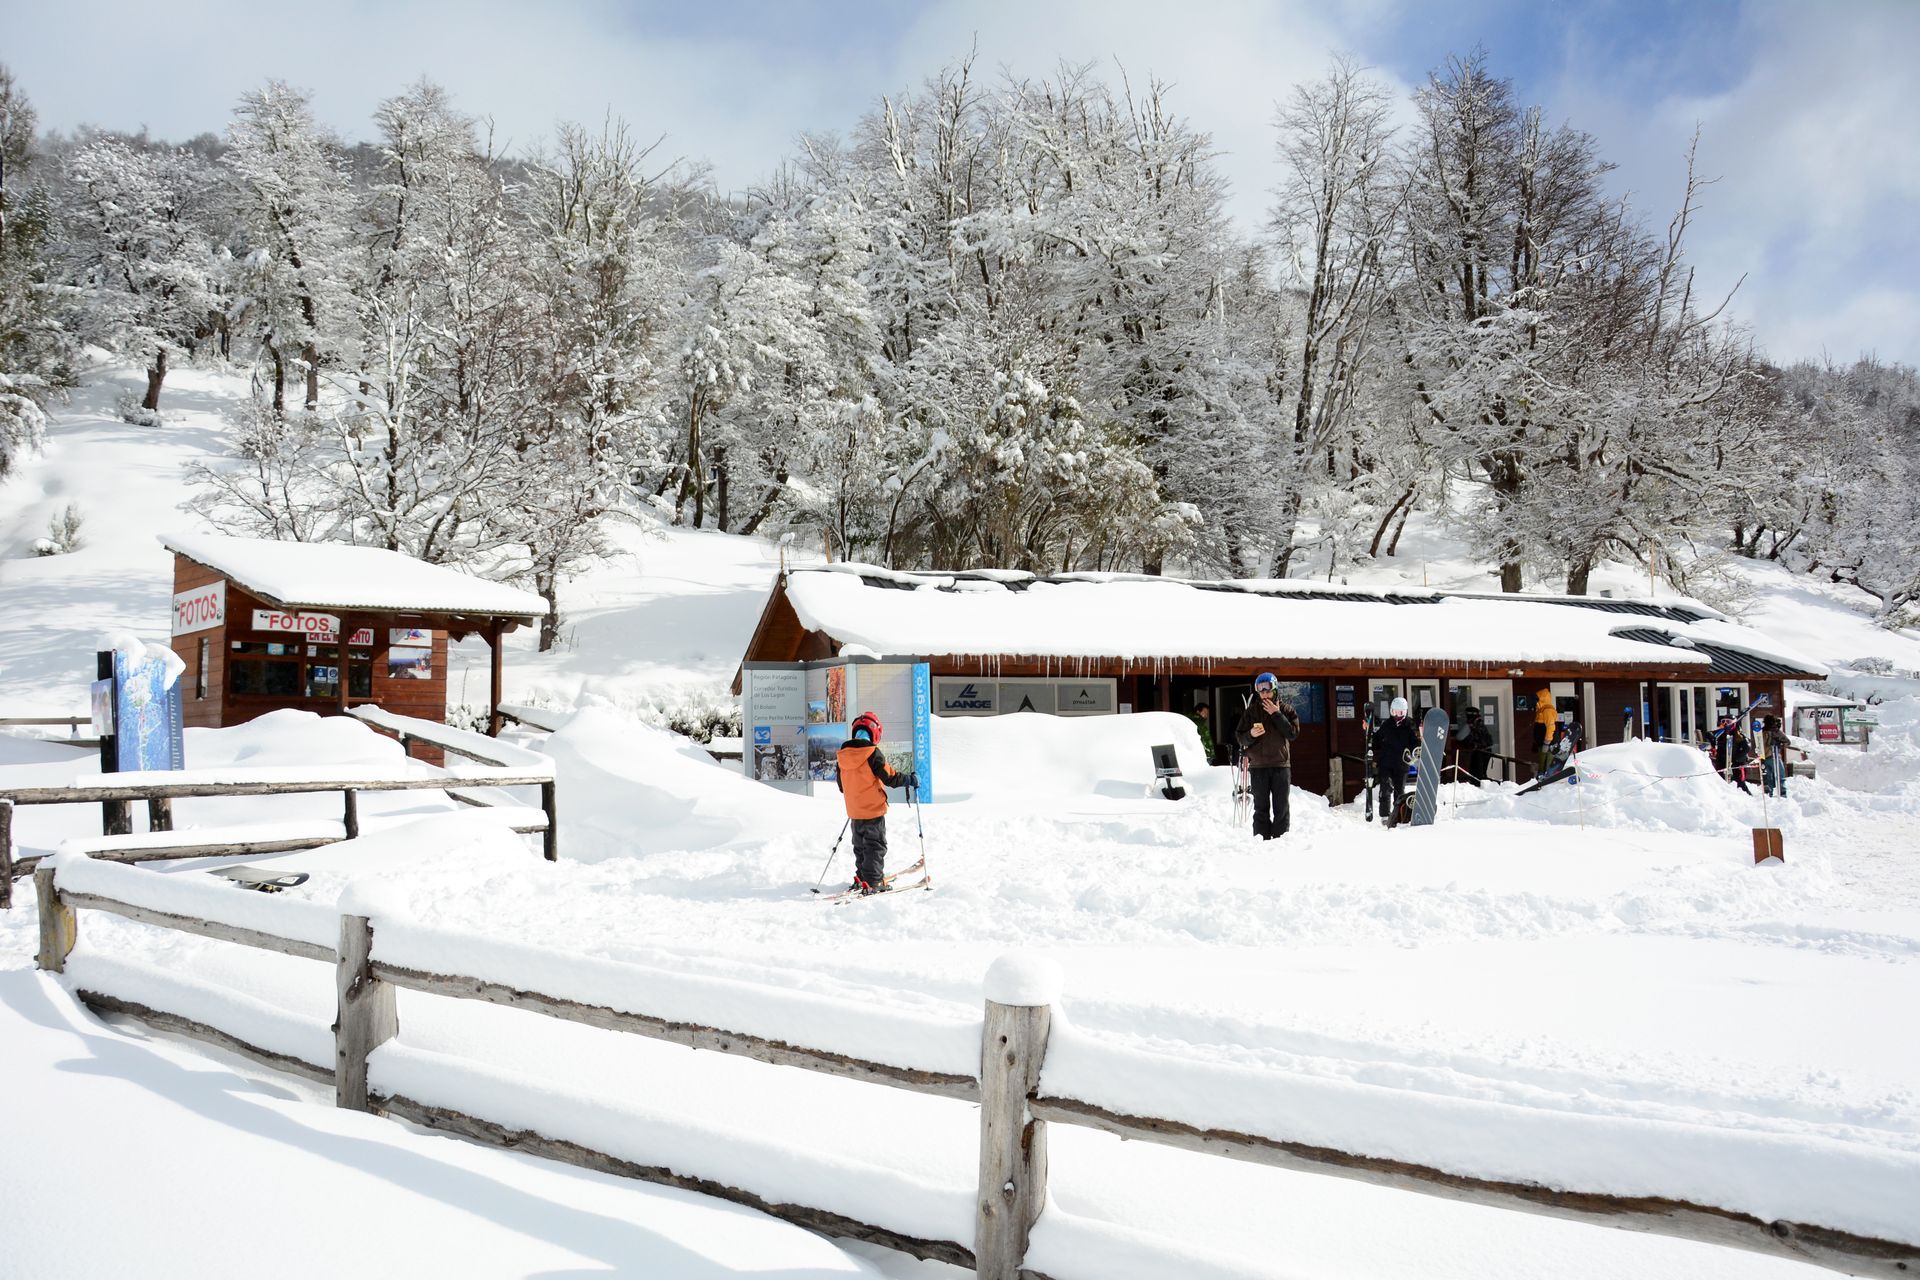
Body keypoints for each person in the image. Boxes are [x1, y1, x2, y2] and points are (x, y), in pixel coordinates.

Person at [835, 711, 917, 894]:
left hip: (855, 811)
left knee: (860, 846)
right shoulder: (872, 753)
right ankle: (873, 880)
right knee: (875, 845)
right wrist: (909, 780)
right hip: (873, 810)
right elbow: (890, 777)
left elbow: (841, 786)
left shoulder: (842, 756)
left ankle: (862, 876)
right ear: (875, 733)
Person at [1233, 673, 1300, 839]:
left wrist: (1276, 714)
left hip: (1280, 765)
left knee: (1281, 808)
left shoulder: (1286, 710)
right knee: (1260, 808)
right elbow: (1240, 737)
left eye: (1267, 689)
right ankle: (1261, 842)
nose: (1264, 693)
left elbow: (1292, 734)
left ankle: (1280, 842)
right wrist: (1250, 734)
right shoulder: (1251, 711)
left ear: (1274, 688)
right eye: (1260, 690)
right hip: (1258, 766)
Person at [1371, 696, 1420, 827]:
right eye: (1395, 712)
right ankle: (1385, 815)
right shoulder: (1387, 725)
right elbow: (1376, 739)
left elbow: (1415, 743)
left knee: (1399, 790)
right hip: (1386, 763)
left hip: (1401, 763)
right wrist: (1368, 732)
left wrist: (1414, 752)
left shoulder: (1409, 725)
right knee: (1385, 788)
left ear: (1405, 712)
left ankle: (1398, 813)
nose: (1397, 716)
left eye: (1400, 712)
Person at [1455, 705, 1494, 785]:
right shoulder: (1479, 722)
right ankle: (1481, 785)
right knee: (1480, 773)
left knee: (1477, 773)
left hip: (1480, 752)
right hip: (1485, 751)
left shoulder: (1473, 723)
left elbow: (1459, 737)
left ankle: (1479, 786)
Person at [1760, 714, 1791, 798]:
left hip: (1764, 758)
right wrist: (1779, 743)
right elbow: (1787, 742)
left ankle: (1769, 794)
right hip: (1774, 756)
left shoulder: (1761, 732)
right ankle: (1783, 794)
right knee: (1780, 776)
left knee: (1768, 778)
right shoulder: (1775, 731)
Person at [1531, 686, 1557, 776]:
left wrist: (1547, 742)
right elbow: (1539, 729)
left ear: (1541, 700)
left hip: (1547, 745)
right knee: (1542, 766)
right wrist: (1536, 742)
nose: (1535, 702)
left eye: (1537, 700)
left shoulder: (1547, 710)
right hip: (1541, 744)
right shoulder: (1540, 711)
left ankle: (1546, 780)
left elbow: (1550, 727)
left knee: (1546, 767)